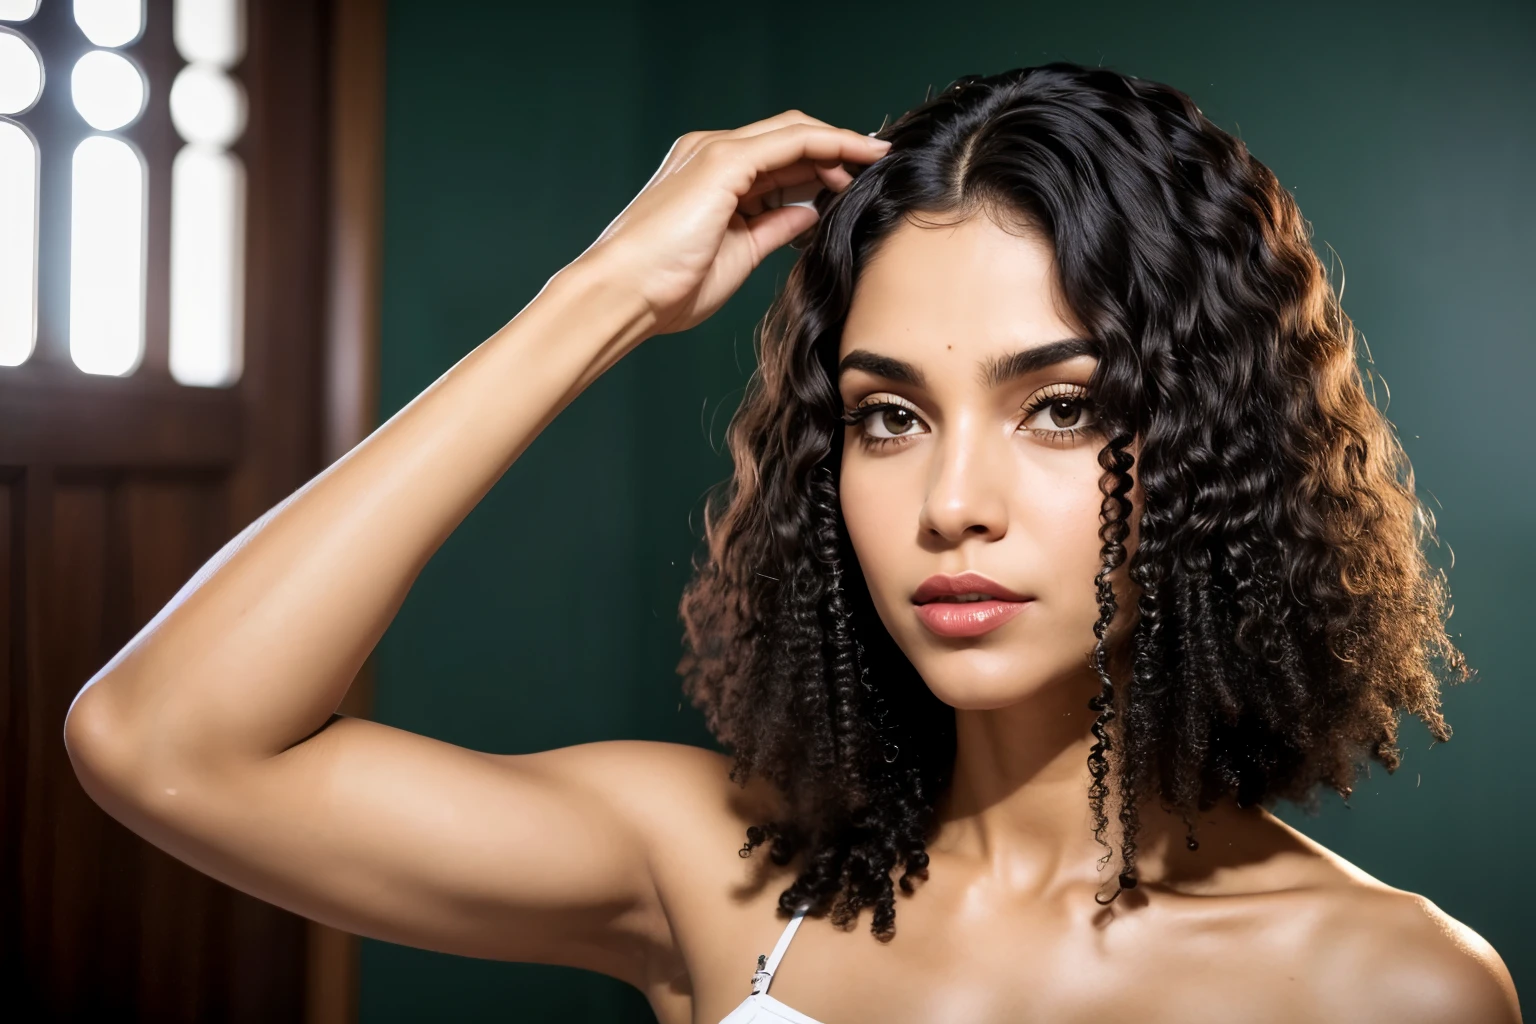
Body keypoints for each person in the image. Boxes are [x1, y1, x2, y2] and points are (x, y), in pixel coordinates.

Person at [64, 63, 1521, 1023]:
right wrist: (606, 295)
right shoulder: (722, 876)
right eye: (888, 418)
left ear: (1218, 449)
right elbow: (164, 738)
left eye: (1061, 409)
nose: (954, 500)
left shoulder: (1389, 986)